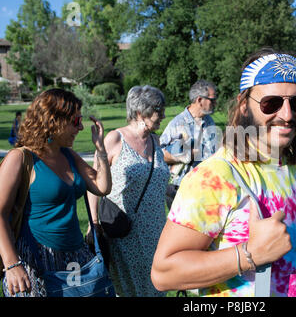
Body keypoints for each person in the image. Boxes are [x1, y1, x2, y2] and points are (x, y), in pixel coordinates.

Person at [151, 48, 296, 297]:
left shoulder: (295, 167)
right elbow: (163, 273)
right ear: (244, 106)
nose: (287, 115)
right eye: (271, 103)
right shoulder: (217, 176)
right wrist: (249, 255)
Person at [0, 89, 111, 297]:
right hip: (34, 261)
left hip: (75, 258)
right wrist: (11, 264)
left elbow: (102, 187)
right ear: (54, 119)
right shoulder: (21, 158)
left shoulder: (68, 155)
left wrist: (101, 150)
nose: (80, 127)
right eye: (75, 120)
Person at [87, 85, 170, 297]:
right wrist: (93, 223)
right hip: (124, 232)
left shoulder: (156, 141)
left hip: (156, 232)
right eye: (158, 110)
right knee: (129, 290)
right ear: (141, 112)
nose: (163, 115)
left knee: (157, 287)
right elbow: (95, 183)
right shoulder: (115, 139)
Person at [160, 80, 218, 209]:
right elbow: (159, 154)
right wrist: (185, 156)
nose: (215, 103)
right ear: (199, 100)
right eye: (212, 100)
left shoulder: (209, 121)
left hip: (205, 188)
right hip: (181, 189)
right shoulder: (178, 124)